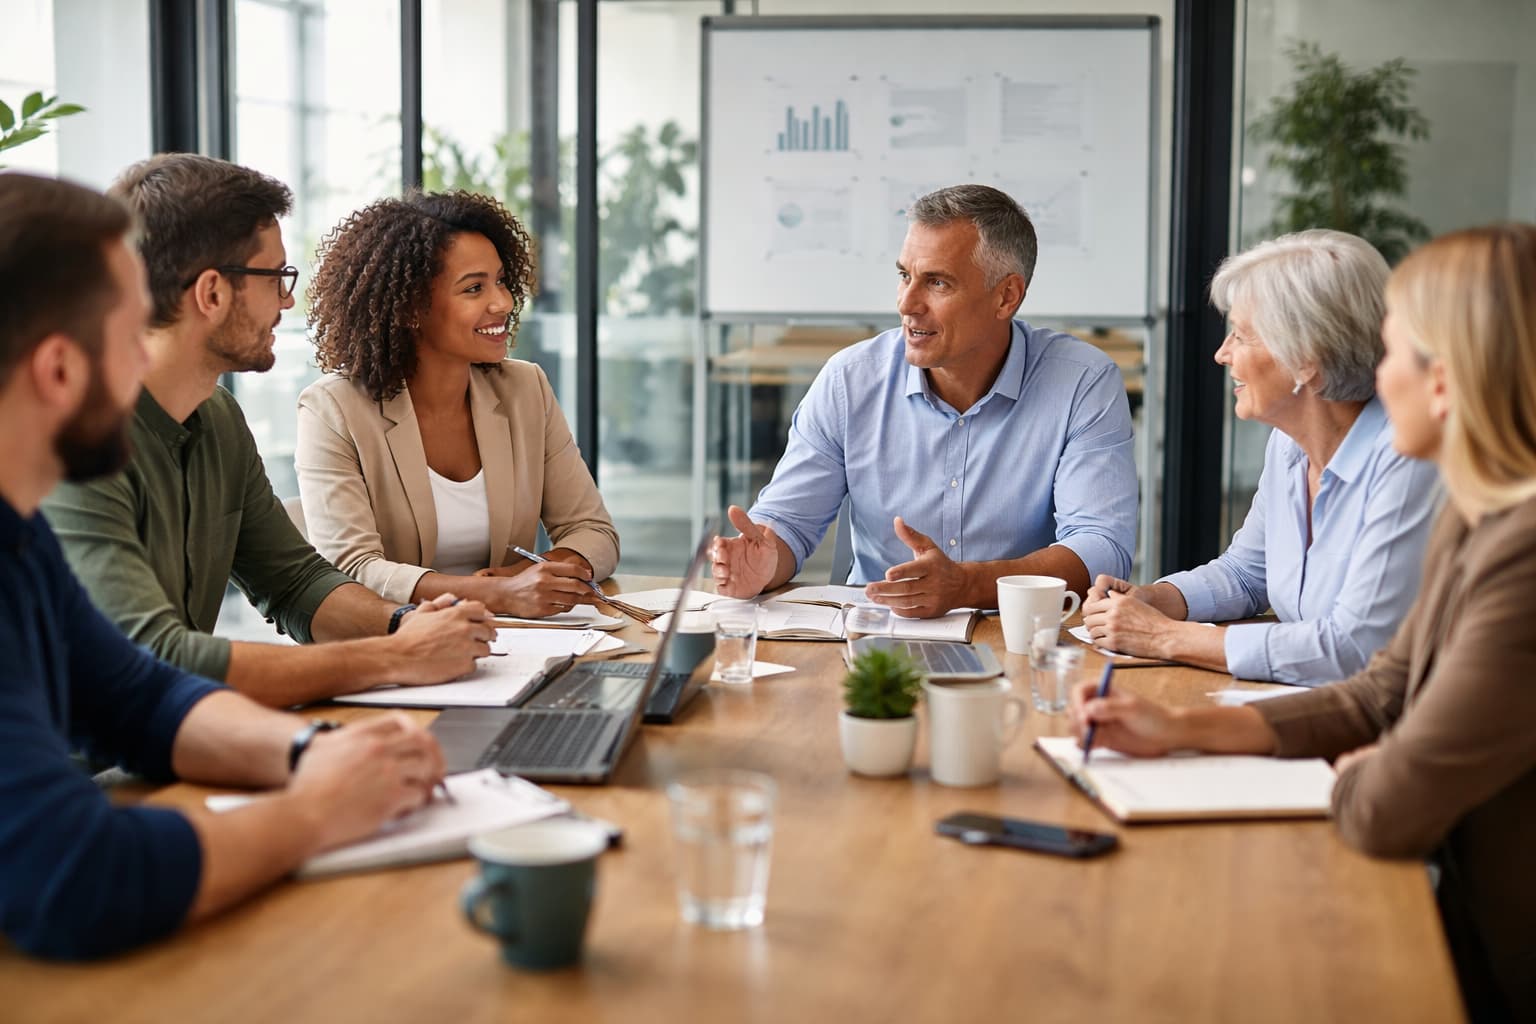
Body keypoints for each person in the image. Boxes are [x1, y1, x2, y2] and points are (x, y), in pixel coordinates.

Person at [1071, 224, 1536, 1022]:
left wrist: (1363, 765)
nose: (1376, 382)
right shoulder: (1482, 516)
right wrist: (1177, 731)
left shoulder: (1520, 552)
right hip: (1457, 894)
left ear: (1446, 383)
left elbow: (1385, 798)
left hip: (1500, 947)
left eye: (1393, 356)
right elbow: (1380, 693)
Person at [0, 172, 451, 959]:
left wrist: (311, 754)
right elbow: (73, 876)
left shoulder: (20, 538)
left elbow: (139, 695)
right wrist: (313, 811)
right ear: (60, 371)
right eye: (124, 330)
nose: (144, 348)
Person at [39, 155, 494, 708]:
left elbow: (296, 584)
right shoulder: (74, 441)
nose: (288, 300)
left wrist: (409, 623)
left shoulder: (219, 419)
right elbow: (150, 655)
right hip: (82, 774)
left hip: (180, 740)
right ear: (211, 294)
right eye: (276, 276)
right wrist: (395, 655)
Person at [710, 184, 1137, 618]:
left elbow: (1101, 547)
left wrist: (967, 585)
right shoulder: (850, 380)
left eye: (937, 282)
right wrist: (763, 565)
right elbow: (788, 525)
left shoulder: (1082, 382)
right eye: (904, 276)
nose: (907, 304)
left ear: (1007, 296)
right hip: (876, 642)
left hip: (1021, 634)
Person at [1081, 230, 1440, 684]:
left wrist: (1164, 637)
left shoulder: (1407, 458)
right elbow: (1248, 574)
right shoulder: (1289, 444)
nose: (1221, 353)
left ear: (1306, 357)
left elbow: (1353, 650)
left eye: (1241, 336)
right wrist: (1153, 600)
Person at [295, 191, 619, 617]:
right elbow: (350, 569)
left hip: (513, 642)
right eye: (474, 288)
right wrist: (493, 594)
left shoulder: (525, 389)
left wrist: (533, 576)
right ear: (411, 307)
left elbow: (593, 531)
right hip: (395, 647)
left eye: (501, 280)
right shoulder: (334, 409)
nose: (502, 302)